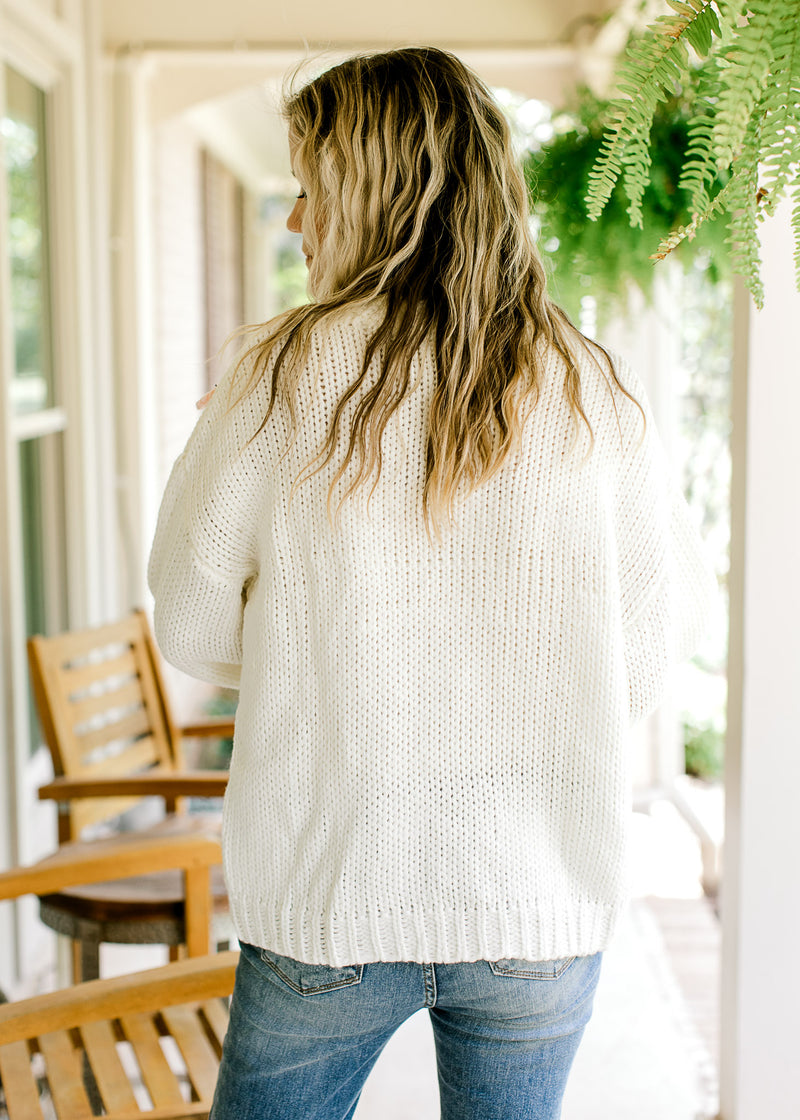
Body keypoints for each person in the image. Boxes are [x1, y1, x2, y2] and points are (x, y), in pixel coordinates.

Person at [148, 46, 714, 1120]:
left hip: (332, 891)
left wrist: (309, 653)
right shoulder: (589, 387)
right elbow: (647, 643)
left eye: (309, 191)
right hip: (536, 905)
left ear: (370, 198)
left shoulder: (280, 375)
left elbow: (186, 616)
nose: (292, 220)